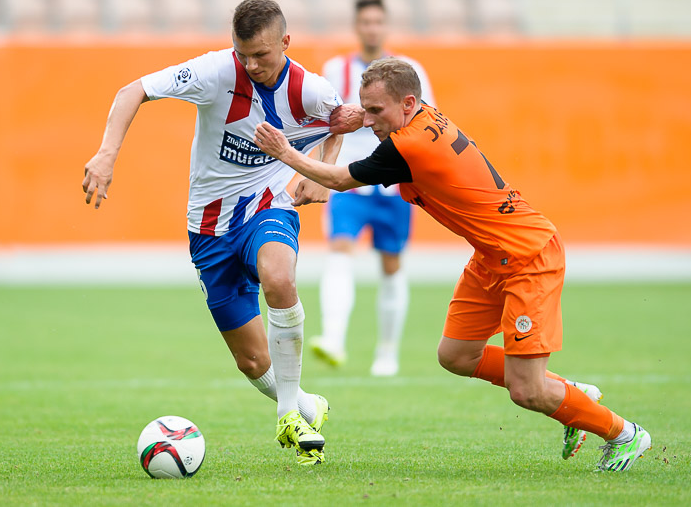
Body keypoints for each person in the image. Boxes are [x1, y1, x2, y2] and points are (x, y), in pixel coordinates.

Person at [253, 58, 652, 471]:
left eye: (375, 111)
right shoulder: (421, 118)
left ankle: (625, 434)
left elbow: (339, 180)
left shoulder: (409, 146)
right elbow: (361, 148)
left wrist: (285, 152)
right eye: (365, 109)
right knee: (457, 355)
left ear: (409, 103)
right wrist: (353, 121)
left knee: (527, 390)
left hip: (528, 256)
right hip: (492, 256)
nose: (369, 120)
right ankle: (570, 395)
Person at [82, 0, 349, 466]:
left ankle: (288, 414)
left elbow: (338, 121)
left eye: (261, 54)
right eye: (243, 54)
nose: (251, 64)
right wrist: (106, 154)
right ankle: (307, 406)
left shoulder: (311, 90)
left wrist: (321, 173)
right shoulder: (213, 72)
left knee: (279, 277)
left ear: (286, 42)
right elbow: (132, 91)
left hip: (267, 206)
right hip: (208, 230)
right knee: (253, 362)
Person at [313, 0, 434, 376]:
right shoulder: (336, 69)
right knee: (339, 248)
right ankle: (333, 338)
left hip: (394, 183)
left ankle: (387, 352)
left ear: (386, 26)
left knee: (391, 263)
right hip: (350, 179)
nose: (371, 29)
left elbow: (427, 121)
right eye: (365, 22)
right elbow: (323, 122)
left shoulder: (410, 71)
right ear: (357, 26)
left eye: (377, 22)